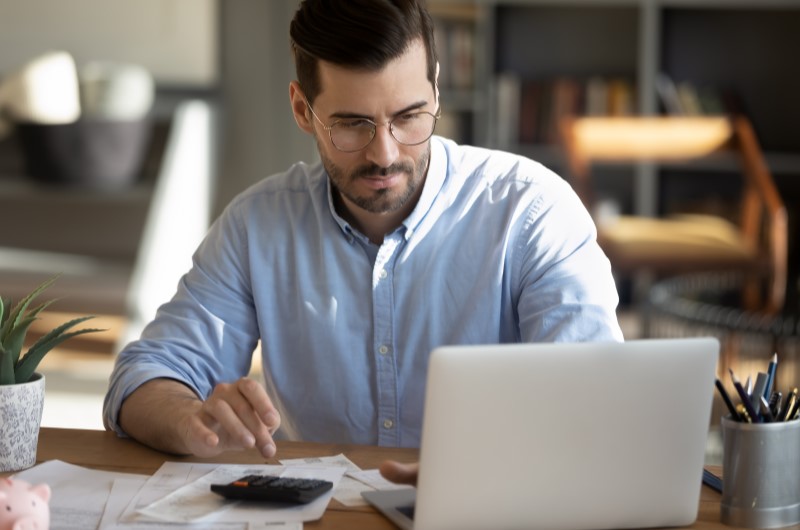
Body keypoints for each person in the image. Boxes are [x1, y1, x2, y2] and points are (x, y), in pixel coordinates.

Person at [103, 0, 623, 466]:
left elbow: (597, 399)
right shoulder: (256, 226)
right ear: (303, 110)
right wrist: (191, 420)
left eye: (409, 117)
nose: (386, 153)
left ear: (436, 90)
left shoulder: (532, 212)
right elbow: (142, 376)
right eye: (353, 124)